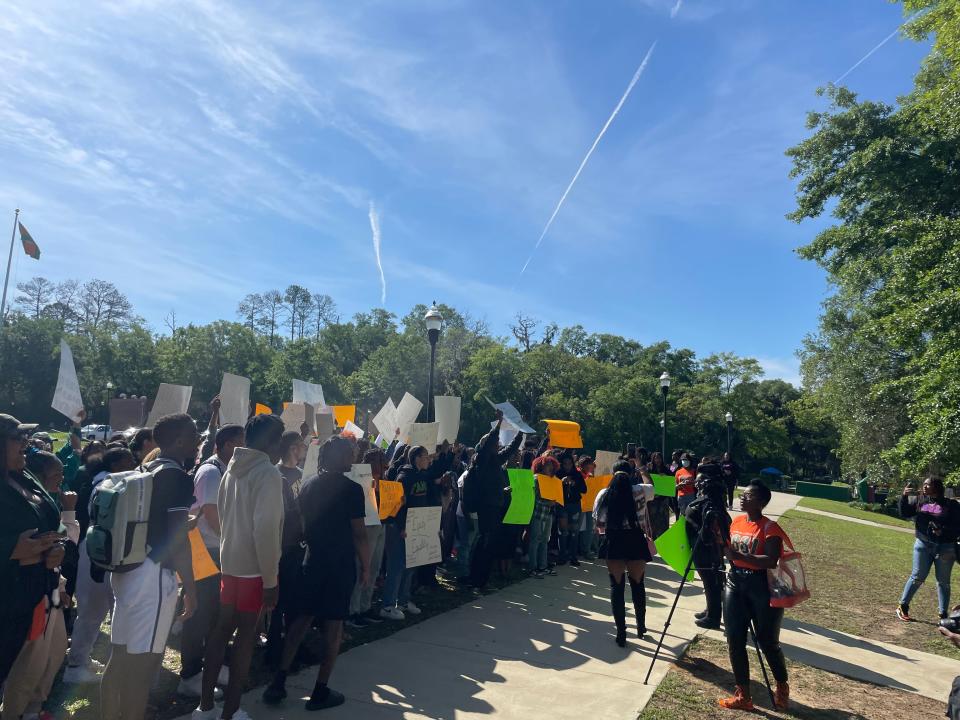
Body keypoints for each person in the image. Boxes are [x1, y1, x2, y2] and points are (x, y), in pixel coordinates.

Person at [100, 413, 198, 720]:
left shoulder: (145, 467)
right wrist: (191, 589)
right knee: (143, 666)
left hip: (127, 570)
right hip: (153, 575)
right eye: (194, 436)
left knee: (119, 657)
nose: (198, 442)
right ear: (180, 440)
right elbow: (177, 538)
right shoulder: (177, 477)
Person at [262, 435, 370, 711]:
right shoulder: (352, 489)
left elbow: (299, 525)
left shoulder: (307, 484)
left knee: (300, 620)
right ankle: (320, 690)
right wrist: (367, 567)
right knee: (334, 627)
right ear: (339, 457)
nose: (354, 457)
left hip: (312, 560)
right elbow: (359, 534)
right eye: (350, 453)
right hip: (339, 564)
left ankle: (279, 681)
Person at [194, 414, 285, 720]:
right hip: (255, 569)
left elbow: (222, 514)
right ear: (272, 443)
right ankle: (230, 712)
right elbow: (266, 529)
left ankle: (205, 707)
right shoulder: (267, 474)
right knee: (245, 638)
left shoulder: (230, 468)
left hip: (230, 563)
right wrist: (271, 579)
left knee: (221, 633)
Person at [4, 450, 80, 720]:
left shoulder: (32, 490)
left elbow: (59, 535)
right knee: (26, 665)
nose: (61, 479)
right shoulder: (13, 495)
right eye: (55, 475)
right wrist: (15, 551)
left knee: (53, 653)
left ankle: (33, 710)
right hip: (22, 595)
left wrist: (57, 550)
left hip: (48, 589)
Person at [0, 416, 70, 697]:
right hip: (6, 598)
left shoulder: (23, 475)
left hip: (33, 594)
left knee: (20, 671)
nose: (26, 444)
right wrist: (10, 549)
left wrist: (57, 548)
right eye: (18, 439)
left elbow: (54, 521)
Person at [178, 424, 245, 697]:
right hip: (206, 551)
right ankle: (190, 674)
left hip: (218, 550)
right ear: (228, 445)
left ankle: (211, 664)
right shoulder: (210, 471)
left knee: (217, 613)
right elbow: (211, 512)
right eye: (242, 443)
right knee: (199, 614)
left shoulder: (225, 470)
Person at [63, 446, 137, 685]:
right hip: (97, 553)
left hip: (97, 551)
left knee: (95, 610)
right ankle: (76, 666)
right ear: (114, 465)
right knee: (92, 611)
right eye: (128, 462)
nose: (133, 465)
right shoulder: (107, 485)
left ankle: (82, 659)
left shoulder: (102, 481)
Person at [718, 482, 789, 711]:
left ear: (760, 502)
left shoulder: (770, 528)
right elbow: (727, 549)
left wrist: (736, 554)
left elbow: (770, 560)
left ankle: (781, 685)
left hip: (761, 586)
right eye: (742, 495)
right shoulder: (737, 521)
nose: (742, 498)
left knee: (767, 641)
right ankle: (743, 695)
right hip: (735, 582)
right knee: (734, 639)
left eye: (747, 496)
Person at [381, 442, 452, 618]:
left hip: (416, 526)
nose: (428, 459)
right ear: (416, 459)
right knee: (397, 566)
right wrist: (402, 526)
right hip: (401, 528)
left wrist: (444, 454)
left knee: (411, 564)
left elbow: (438, 470)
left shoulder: (424, 475)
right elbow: (398, 504)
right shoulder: (404, 477)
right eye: (425, 456)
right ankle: (388, 605)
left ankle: (404, 601)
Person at [593, 467, 653, 646]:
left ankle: (621, 633)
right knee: (638, 585)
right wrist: (642, 468)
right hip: (635, 539)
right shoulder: (640, 490)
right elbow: (652, 485)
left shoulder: (605, 493)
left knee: (616, 587)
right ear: (631, 474)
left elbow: (598, 521)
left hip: (614, 540)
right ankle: (641, 626)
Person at [466, 412, 524, 589]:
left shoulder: (495, 460)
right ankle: (476, 579)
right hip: (487, 507)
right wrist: (497, 425)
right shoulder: (482, 460)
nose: (498, 445)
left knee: (490, 544)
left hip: (496, 506)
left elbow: (511, 450)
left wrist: (520, 432)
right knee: (485, 543)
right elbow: (490, 443)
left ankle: (481, 579)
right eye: (495, 444)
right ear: (487, 446)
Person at [266, 430, 308, 662]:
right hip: (282, 545)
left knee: (294, 600)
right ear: (293, 448)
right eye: (302, 445)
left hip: (299, 545)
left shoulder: (303, 474)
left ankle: (292, 646)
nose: (304, 450)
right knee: (279, 601)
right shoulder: (275, 475)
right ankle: (274, 648)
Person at [896, 477, 960, 622]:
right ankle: (903, 606)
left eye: (928, 484)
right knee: (918, 576)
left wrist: (942, 531)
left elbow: (958, 526)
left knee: (943, 581)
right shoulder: (920, 501)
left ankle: (943, 615)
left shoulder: (951, 505)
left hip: (945, 547)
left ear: (937, 487)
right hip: (923, 545)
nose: (925, 487)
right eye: (924, 484)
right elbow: (904, 513)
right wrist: (904, 496)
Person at [685, 461, 731, 630]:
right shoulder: (706, 500)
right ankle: (711, 609)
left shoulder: (708, 503)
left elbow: (708, 531)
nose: (696, 483)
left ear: (706, 481)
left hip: (706, 549)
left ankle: (713, 617)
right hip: (702, 548)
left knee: (712, 582)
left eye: (699, 480)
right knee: (709, 583)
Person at [346, 447, 387, 629]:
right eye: (377, 460)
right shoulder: (360, 480)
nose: (381, 464)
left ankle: (365, 606)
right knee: (363, 567)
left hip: (380, 524)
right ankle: (353, 610)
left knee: (375, 567)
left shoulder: (384, 479)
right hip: (366, 526)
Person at [528, 455, 560, 578]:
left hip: (548, 514)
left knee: (545, 540)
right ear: (540, 466)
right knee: (535, 540)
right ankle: (532, 568)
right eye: (548, 465)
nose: (550, 468)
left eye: (552, 466)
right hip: (537, 513)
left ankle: (543, 566)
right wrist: (549, 502)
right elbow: (533, 498)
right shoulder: (536, 479)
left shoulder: (553, 480)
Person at [558, 452, 587, 567]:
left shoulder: (577, 474)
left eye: (569, 464)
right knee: (563, 532)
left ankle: (573, 557)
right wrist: (561, 482)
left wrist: (574, 483)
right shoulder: (558, 473)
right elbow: (553, 488)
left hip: (575, 505)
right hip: (562, 505)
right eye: (565, 464)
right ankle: (562, 556)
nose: (567, 466)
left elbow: (584, 490)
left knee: (574, 532)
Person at [577, 456, 597, 560]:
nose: (590, 466)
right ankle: (576, 550)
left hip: (590, 504)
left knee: (590, 528)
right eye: (588, 464)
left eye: (591, 464)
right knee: (577, 528)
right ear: (582, 465)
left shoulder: (590, 475)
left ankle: (587, 550)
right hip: (580, 504)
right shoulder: (577, 474)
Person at [675, 452, 696, 517]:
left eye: (686, 460)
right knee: (682, 514)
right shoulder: (678, 472)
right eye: (683, 460)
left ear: (690, 461)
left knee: (691, 513)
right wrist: (678, 486)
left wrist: (692, 483)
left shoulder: (694, 471)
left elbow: (697, 482)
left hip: (691, 495)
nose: (685, 461)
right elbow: (675, 485)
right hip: (681, 496)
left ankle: (690, 526)